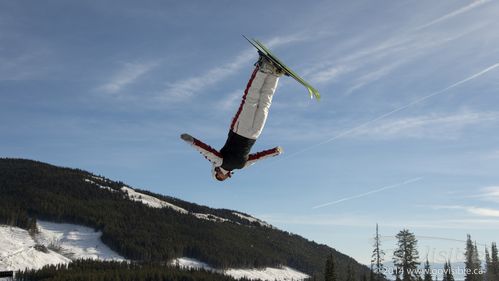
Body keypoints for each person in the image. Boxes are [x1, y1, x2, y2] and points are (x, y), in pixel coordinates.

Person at [181, 54, 284, 181]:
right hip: (254, 135)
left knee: (250, 101)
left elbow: (207, 152)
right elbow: (257, 158)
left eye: (220, 178)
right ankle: (274, 75)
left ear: (216, 173)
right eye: (223, 179)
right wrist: (274, 152)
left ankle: (263, 69)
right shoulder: (241, 166)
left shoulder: (219, 162)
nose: (224, 178)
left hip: (239, 130)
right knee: (265, 105)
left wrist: (192, 141)